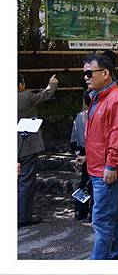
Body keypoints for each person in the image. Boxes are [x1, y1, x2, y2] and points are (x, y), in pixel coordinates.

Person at [83, 53, 118, 260]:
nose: (86, 77)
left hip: (107, 169)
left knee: (101, 219)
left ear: (105, 73)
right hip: (98, 166)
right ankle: (115, 256)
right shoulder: (99, 96)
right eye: (84, 74)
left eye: (89, 73)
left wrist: (111, 164)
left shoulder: (117, 99)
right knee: (110, 216)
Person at [17, 73, 59, 228]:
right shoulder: (26, 97)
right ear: (21, 84)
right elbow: (46, 94)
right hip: (26, 145)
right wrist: (52, 83)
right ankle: (22, 216)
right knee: (26, 181)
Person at [70, 89, 93, 221]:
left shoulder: (79, 116)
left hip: (81, 152)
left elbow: (73, 139)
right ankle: (93, 212)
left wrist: (78, 154)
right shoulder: (98, 116)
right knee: (94, 183)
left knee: (84, 182)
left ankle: (80, 210)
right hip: (94, 153)